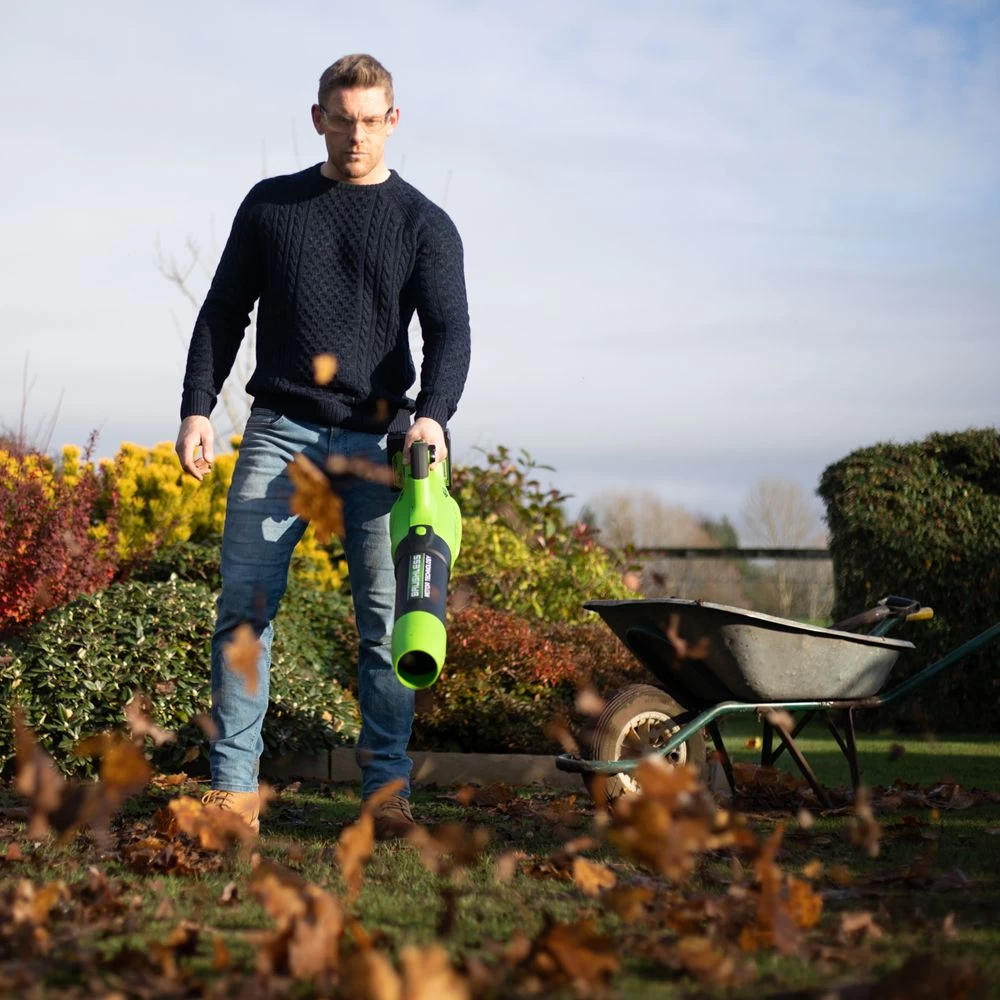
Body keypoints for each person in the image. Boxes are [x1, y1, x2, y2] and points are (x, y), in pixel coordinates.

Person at [174, 53, 471, 839]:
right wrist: (198, 408)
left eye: (371, 121)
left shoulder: (424, 224)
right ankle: (233, 791)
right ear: (318, 119)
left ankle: (385, 795)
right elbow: (222, 311)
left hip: (383, 442)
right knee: (245, 611)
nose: (356, 136)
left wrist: (434, 415)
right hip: (281, 432)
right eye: (342, 120)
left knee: (389, 624)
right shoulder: (273, 205)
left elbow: (449, 333)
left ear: (393, 122)